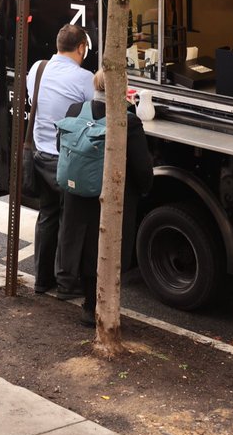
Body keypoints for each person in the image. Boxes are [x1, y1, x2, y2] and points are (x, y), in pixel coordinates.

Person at [58, 70, 153, 326]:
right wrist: (144, 189)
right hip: (112, 197)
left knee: (86, 248)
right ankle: (106, 308)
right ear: (122, 89)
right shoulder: (127, 120)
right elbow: (141, 166)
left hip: (77, 193)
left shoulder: (75, 109)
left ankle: (89, 305)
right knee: (110, 251)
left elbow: (63, 147)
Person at [28, 23, 94, 295]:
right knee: (72, 221)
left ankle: (42, 280)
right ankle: (67, 282)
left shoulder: (37, 69)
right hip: (67, 159)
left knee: (47, 214)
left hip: (39, 154)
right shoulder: (84, 78)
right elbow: (97, 110)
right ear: (81, 48)